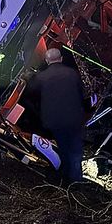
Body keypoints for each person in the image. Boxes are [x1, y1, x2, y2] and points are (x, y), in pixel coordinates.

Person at [29, 47, 88, 182]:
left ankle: (64, 178)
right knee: (75, 149)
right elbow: (81, 93)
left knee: (62, 148)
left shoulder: (41, 77)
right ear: (61, 59)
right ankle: (76, 179)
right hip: (73, 118)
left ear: (47, 61)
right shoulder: (72, 73)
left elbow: (32, 95)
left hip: (54, 120)